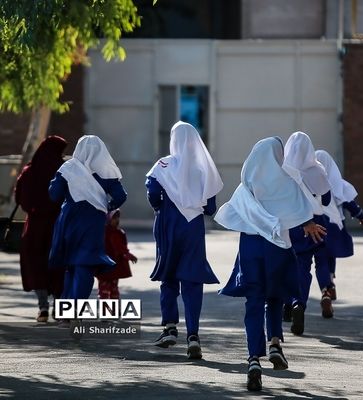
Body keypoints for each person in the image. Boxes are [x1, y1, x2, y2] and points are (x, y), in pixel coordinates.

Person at [215, 137, 325, 391]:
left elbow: (232, 214)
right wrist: (307, 224)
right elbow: (301, 210)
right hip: (278, 248)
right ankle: (275, 342)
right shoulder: (287, 182)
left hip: (250, 249)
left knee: (253, 301)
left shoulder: (245, 187)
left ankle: (254, 358)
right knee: (275, 296)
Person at [145, 121, 223, 360]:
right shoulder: (203, 169)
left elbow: (153, 194)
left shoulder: (162, 165)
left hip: (168, 223)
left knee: (168, 275)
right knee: (192, 279)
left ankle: (169, 327)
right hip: (193, 227)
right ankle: (193, 336)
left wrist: (163, 207)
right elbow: (210, 207)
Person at [49, 135, 126, 304]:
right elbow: (120, 196)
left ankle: (66, 309)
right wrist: (106, 207)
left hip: (69, 219)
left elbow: (54, 195)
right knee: (85, 264)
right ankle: (76, 309)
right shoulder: (107, 170)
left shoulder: (69, 167)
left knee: (70, 266)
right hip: (94, 221)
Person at [281, 131, 331, 335]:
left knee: (284, 265)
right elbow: (326, 200)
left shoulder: (283, 170)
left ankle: (287, 302)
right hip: (313, 223)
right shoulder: (317, 170)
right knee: (303, 266)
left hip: (289, 222)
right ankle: (298, 304)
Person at [15, 136, 68, 322]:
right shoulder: (64, 171)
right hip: (58, 226)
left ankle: (42, 308)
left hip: (34, 227)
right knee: (58, 266)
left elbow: (20, 199)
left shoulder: (29, 171)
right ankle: (58, 307)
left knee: (36, 264)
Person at [314, 149, 363, 317]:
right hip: (335, 226)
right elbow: (350, 203)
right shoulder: (337, 183)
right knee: (332, 255)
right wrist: (361, 217)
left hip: (315, 225)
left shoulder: (310, 181)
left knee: (320, 260)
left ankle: (325, 290)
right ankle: (331, 282)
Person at [96, 209, 137, 299]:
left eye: (117, 217)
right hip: (104, 267)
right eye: (114, 218)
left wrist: (127, 254)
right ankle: (107, 310)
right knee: (105, 290)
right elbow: (119, 248)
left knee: (113, 289)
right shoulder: (105, 233)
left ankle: (113, 310)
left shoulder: (118, 232)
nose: (117, 220)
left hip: (113, 267)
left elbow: (121, 248)